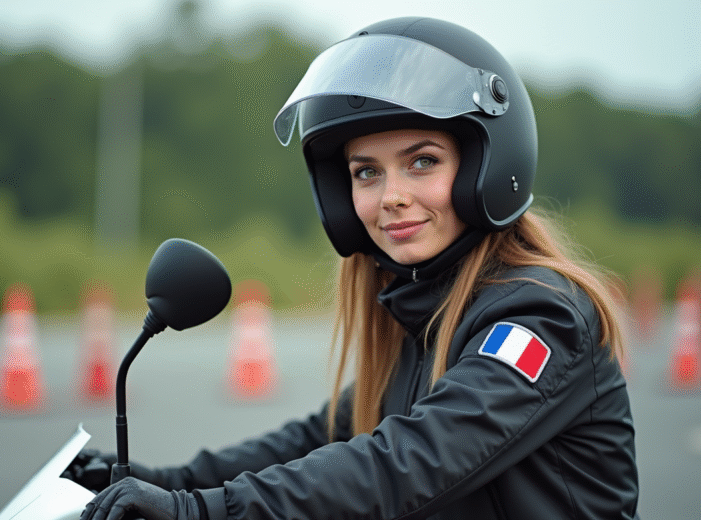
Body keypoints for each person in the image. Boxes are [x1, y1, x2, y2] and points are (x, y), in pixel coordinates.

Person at [70, 16, 639, 519]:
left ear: (486, 166)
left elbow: (410, 462)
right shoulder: (422, 315)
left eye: (422, 161)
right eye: (367, 172)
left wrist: (201, 512)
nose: (391, 195)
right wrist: (157, 483)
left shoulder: (539, 317)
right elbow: (316, 440)